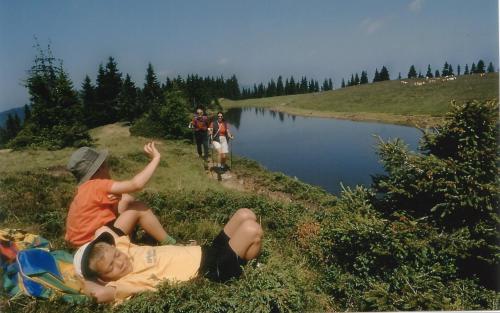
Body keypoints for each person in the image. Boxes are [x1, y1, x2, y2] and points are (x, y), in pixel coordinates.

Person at [74, 208, 263, 303]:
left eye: (116, 255)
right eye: (110, 267)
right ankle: (246, 272)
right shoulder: (126, 283)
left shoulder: (125, 249)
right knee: (251, 230)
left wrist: (90, 250)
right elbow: (97, 294)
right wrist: (84, 275)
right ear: (103, 277)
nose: (120, 261)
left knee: (245, 214)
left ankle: (240, 259)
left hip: (206, 250)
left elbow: (108, 227)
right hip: (211, 270)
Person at [65, 142, 176, 248]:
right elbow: (136, 184)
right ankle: (172, 244)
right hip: (97, 247)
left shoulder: (82, 190)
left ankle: (131, 238)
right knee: (139, 207)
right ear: (100, 168)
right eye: (105, 164)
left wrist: (117, 199)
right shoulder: (98, 185)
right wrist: (156, 158)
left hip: (81, 248)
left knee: (125, 199)